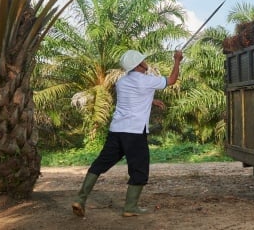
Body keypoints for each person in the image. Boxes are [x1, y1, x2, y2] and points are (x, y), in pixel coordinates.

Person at [71, 49, 183, 217]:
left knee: (100, 164)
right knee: (139, 169)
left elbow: (134, 97)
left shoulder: (121, 82)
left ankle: (80, 199)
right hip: (135, 132)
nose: (146, 62)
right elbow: (172, 80)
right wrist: (177, 60)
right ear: (138, 65)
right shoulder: (147, 81)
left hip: (116, 131)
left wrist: (151, 100)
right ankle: (130, 207)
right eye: (143, 61)